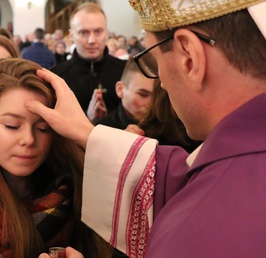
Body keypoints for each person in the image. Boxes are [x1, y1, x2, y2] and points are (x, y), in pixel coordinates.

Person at [29, 0, 266, 257]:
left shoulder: (195, 229)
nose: (161, 82)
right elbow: (182, 177)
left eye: (153, 61)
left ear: (189, 56)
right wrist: (88, 133)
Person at [0, 58, 112, 258]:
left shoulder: (78, 192)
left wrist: (88, 135)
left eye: (43, 128)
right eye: (12, 126)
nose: (28, 140)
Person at [51, 2, 126, 115]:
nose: (92, 40)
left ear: (106, 33)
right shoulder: (56, 78)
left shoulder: (125, 71)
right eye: (84, 33)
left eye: (98, 32)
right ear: (72, 35)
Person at [92, 57, 154, 128]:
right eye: (143, 95)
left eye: (156, 96)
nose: (152, 103)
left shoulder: (166, 127)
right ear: (120, 89)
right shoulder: (101, 130)